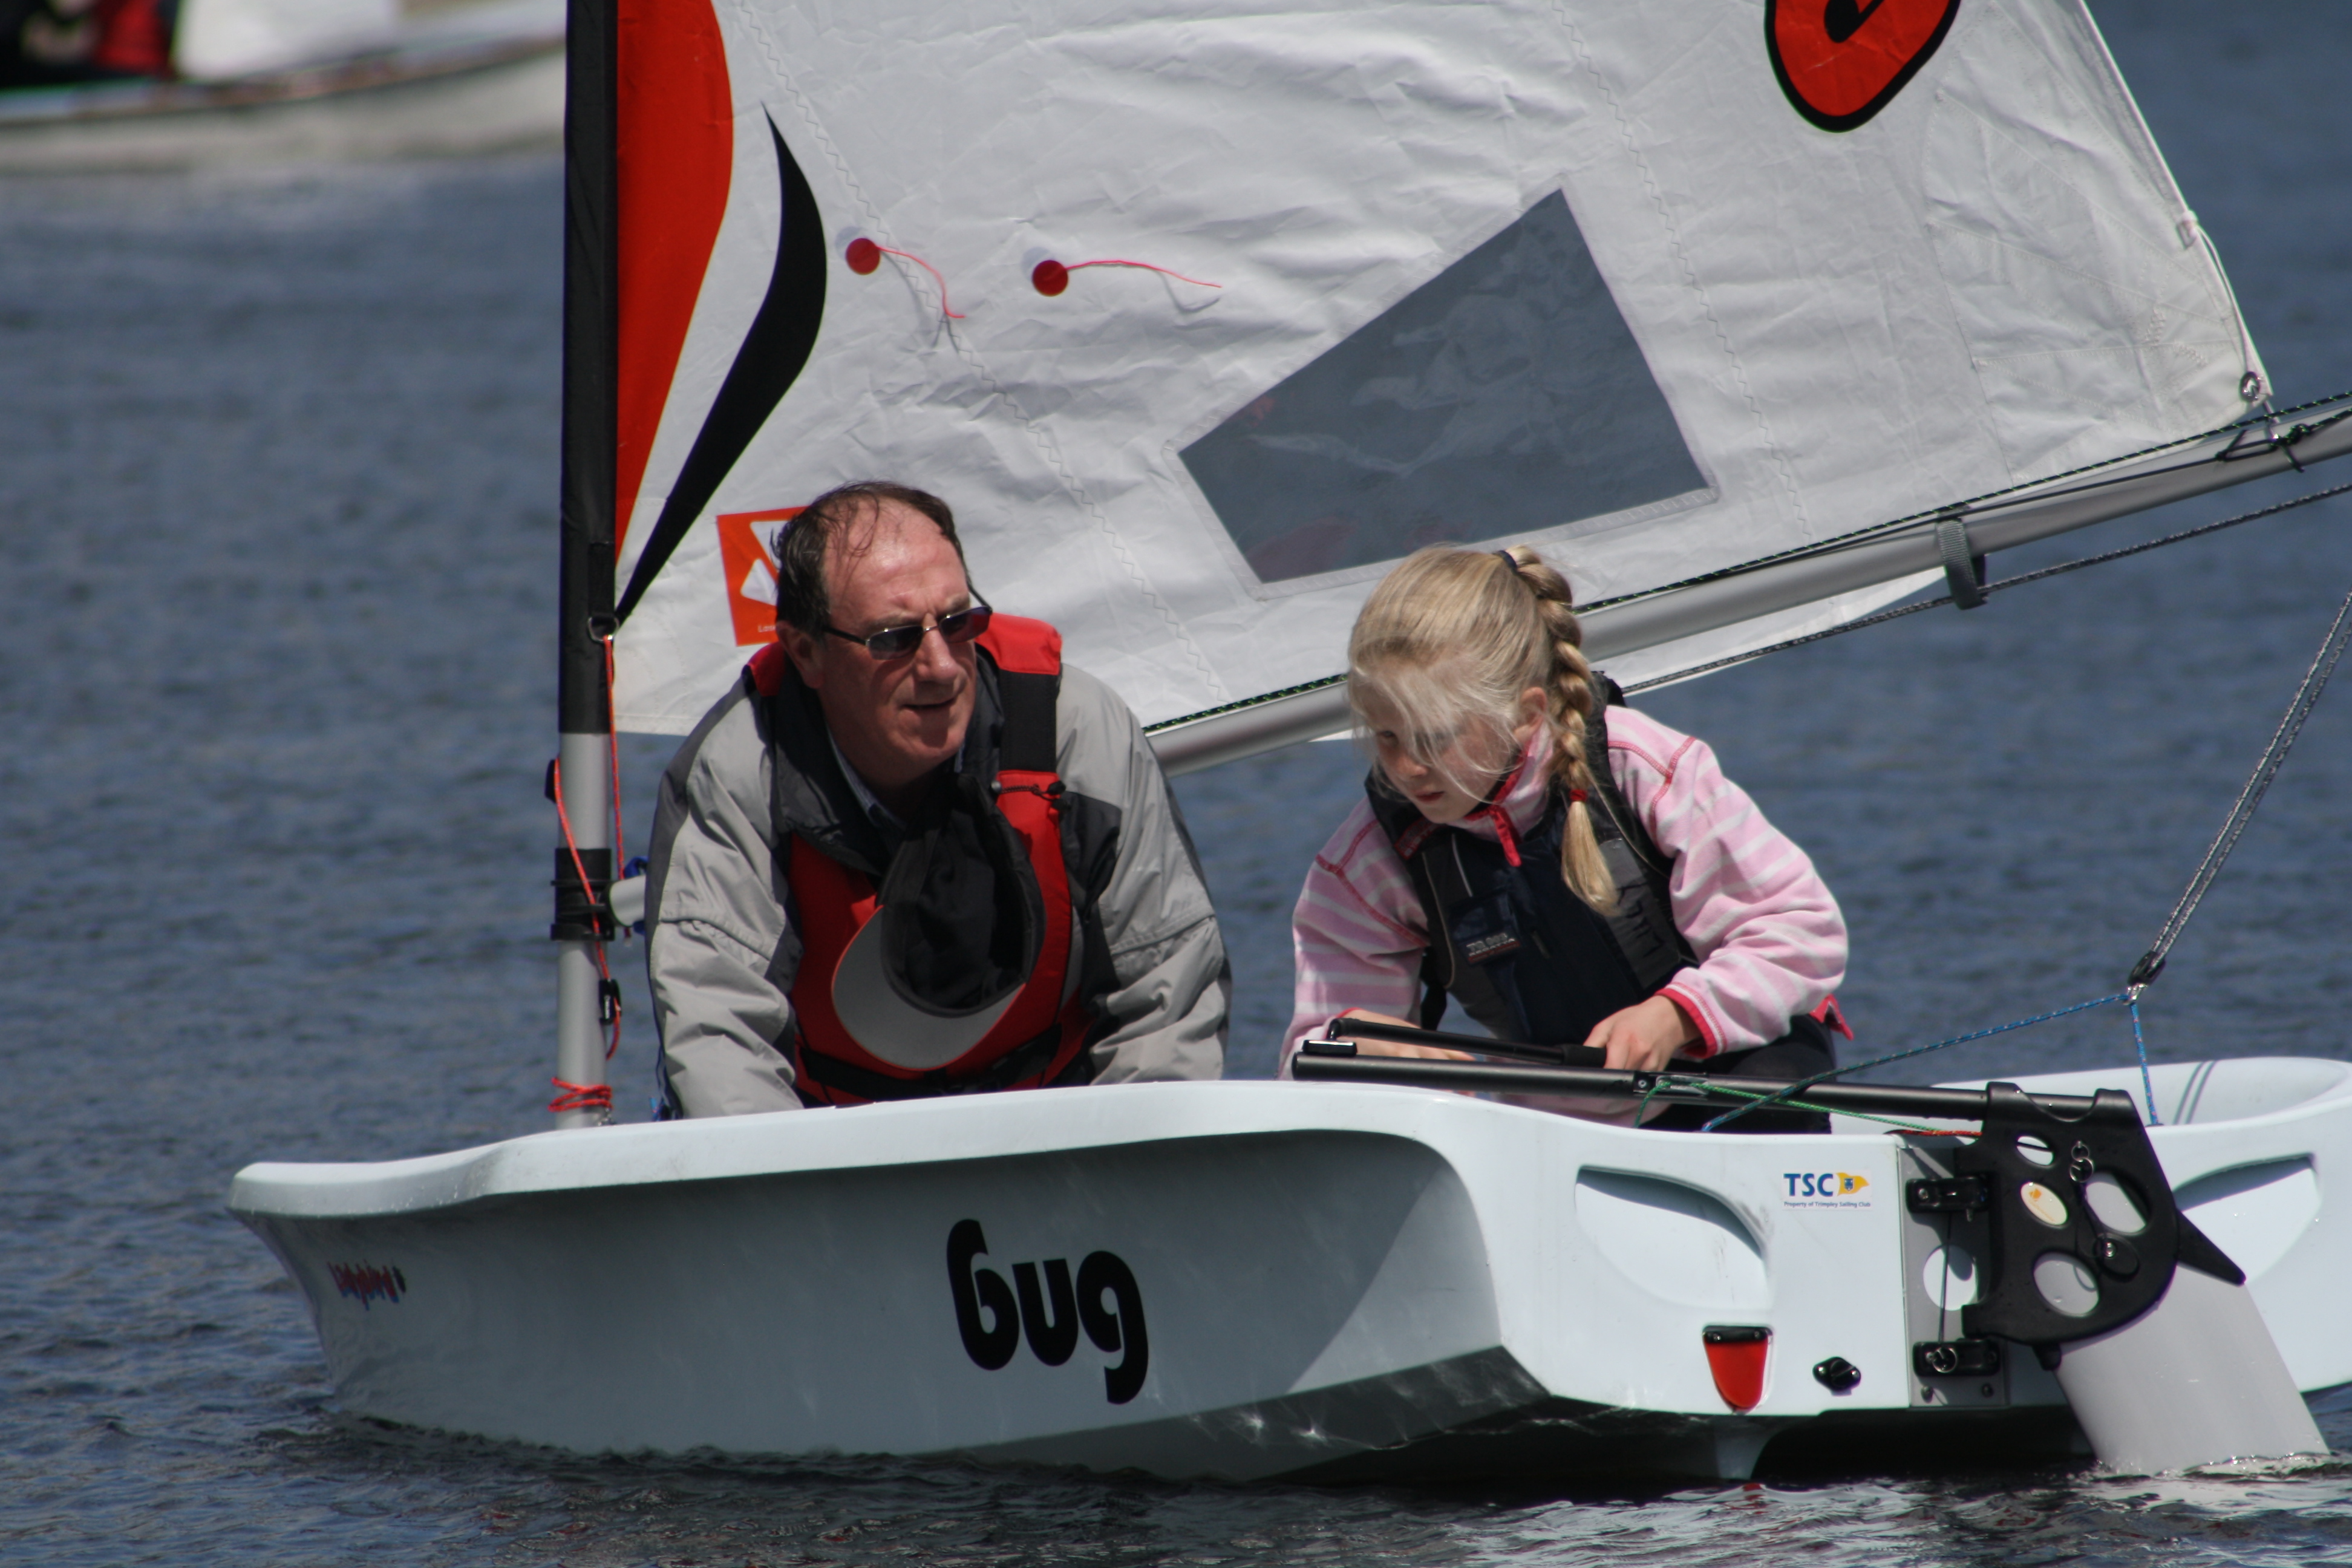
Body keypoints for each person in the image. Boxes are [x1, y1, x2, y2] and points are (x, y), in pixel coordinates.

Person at [645, 480, 1229, 1114]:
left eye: (957, 623)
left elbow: (1167, 998)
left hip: (1063, 1128)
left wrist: (1111, 1160)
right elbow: (718, 1038)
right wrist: (804, 1174)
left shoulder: (1078, 735)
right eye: (894, 638)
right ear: (807, 653)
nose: (942, 667)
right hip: (828, 1143)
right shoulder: (741, 774)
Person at [1281, 544, 1847, 1131]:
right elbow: (1304, 1057)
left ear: (1527, 714)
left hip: (1737, 1064)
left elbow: (1802, 933)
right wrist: (1355, 1048)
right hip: (1555, 1117)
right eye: (1387, 737)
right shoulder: (1371, 859)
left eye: (1435, 737)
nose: (1406, 768)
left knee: (1764, 1104)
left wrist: (1673, 1016)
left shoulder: (1645, 770)